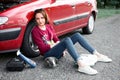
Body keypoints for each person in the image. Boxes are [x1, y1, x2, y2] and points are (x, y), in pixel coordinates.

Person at [31, 9, 112, 75]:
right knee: (66, 40)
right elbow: (42, 48)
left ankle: (97, 54)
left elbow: (56, 39)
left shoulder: (49, 27)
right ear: (35, 20)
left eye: (42, 18)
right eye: (37, 19)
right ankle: (81, 65)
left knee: (77, 35)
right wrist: (57, 45)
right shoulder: (35, 31)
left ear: (45, 17)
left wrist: (60, 48)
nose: (40, 20)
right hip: (47, 54)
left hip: (55, 50)